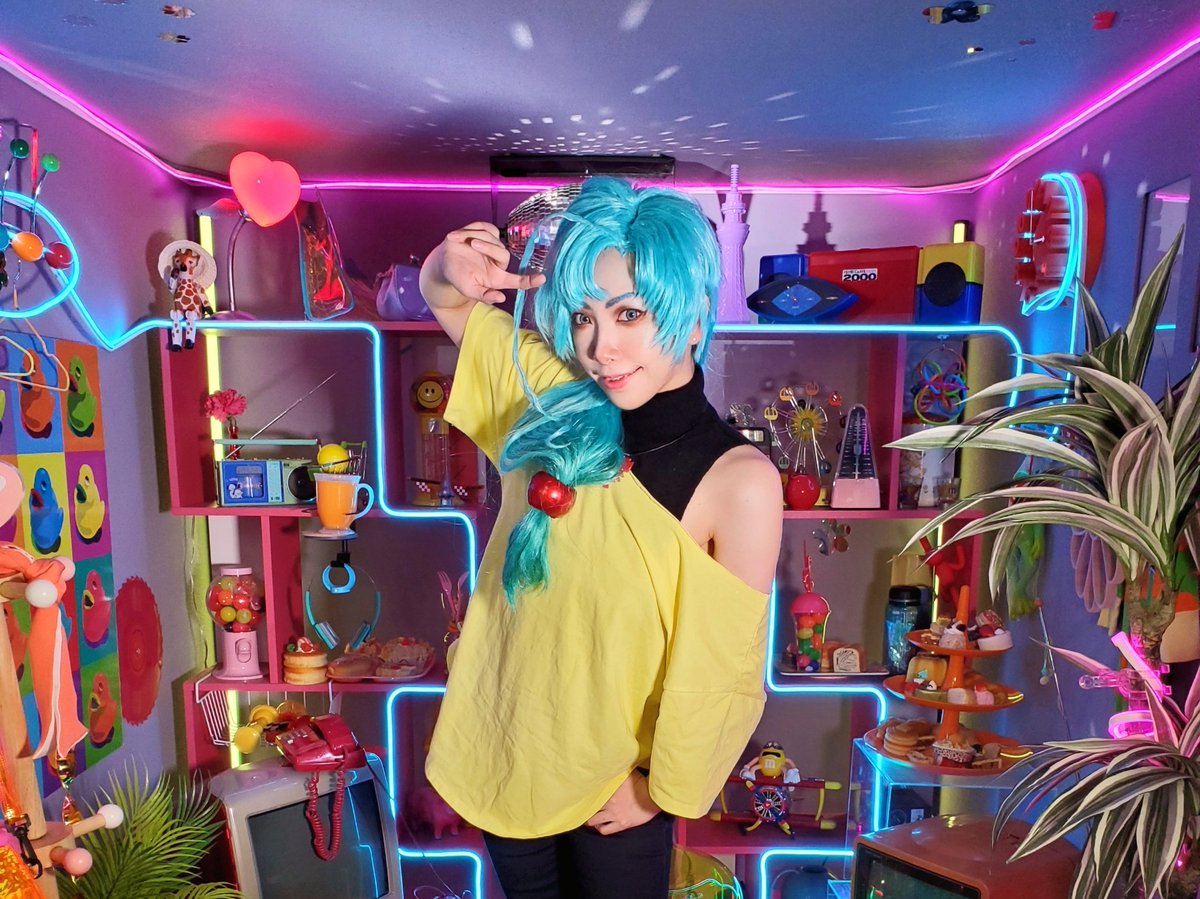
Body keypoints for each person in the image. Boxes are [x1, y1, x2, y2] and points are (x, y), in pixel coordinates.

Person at [420, 177, 783, 898]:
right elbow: (448, 300)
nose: (600, 347)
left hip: (616, 786)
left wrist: (657, 788)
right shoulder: (548, 399)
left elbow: (722, 669)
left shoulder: (739, 480)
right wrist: (445, 263)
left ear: (692, 316)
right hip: (507, 750)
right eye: (583, 316)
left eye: (630, 313)